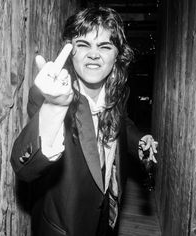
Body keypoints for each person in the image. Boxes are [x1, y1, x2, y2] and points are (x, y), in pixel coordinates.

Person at [10, 6, 158, 236]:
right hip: (66, 226)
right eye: (84, 45)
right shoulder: (48, 96)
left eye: (104, 46)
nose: (94, 54)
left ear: (117, 55)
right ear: (71, 52)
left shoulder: (117, 92)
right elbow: (25, 168)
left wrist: (139, 141)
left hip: (107, 214)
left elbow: (123, 122)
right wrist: (55, 106)